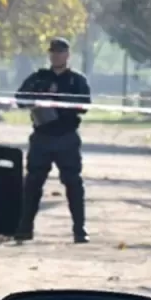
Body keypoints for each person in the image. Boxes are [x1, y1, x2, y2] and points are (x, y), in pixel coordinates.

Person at [13, 37, 93, 243]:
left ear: (67, 55)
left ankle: (79, 229)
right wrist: (38, 100)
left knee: (73, 183)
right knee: (32, 183)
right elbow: (20, 98)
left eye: (60, 52)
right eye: (53, 52)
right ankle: (24, 227)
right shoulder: (39, 78)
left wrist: (61, 102)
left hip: (66, 136)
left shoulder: (77, 80)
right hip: (42, 136)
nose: (56, 55)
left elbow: (85, 105)